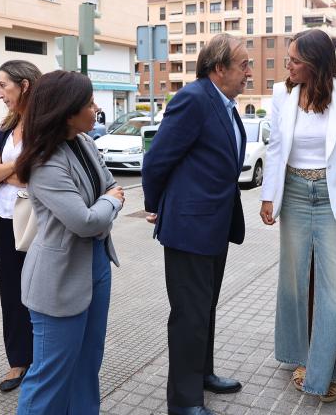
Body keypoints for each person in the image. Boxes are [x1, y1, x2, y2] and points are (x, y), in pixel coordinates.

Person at [258, 28, 336, 403]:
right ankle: (301, 357)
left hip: (335, 196)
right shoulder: (283, 94)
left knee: (333, 289)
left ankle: (324, 374)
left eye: (294, 60)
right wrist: (268, 197)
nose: (288, 66)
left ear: (315, 64)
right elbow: (276, 149)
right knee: (295, 284)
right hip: (293, 193)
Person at [142, 33, 251, 415]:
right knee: (189, 315)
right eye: (243, 65)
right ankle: (184, 402)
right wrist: (155, 205)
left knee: (205, 308)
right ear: (219, 69)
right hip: (189, 228)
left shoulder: (224, 103)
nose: (249, 73)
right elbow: (157, 160)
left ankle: (202, 373)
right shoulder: (193, 98)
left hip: (214, 226)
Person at [13, 70, 124, 414]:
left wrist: (107, 199)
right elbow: (85, 221)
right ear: (66, 110)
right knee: (50, 375)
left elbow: (109, 182)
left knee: (87, 363)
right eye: (89, 103)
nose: (96, 109)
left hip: (96, 265)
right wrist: (113, 202)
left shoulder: (84, 142)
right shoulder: (45, 162)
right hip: (57, 278)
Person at [0, 60, 42, 392]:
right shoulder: (3, 127)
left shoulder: (47, 125)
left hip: (40, 218)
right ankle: (19, 360)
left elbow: (41, 175)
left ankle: (43, 359)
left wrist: (3, 168)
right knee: (12, 289)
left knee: (42, 288)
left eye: (3, 85)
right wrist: (15, 167)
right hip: (5, 219)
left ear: (25, 85)